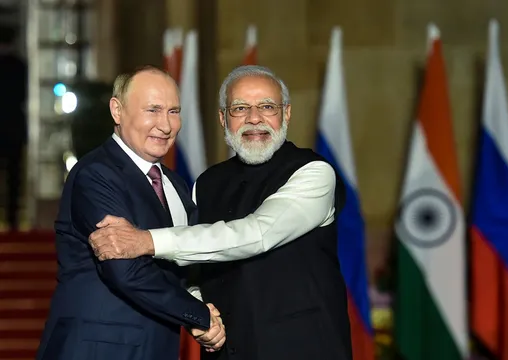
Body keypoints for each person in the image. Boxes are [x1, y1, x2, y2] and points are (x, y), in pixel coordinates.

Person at [88, 65, 353, 360]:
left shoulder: (314, 173)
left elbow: (257, 234)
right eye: (240, 108)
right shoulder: (205, 183)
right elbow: (190, 270)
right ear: (222, 118)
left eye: (267, 106)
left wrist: (146, 241)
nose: (255, 118)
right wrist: (199, 312)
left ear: (286, 114)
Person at [36, 66, 226, 360]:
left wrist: (203, 305)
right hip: (96, 349)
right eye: (153, 110)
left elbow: (185, 265)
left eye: (174, 111)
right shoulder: (96, 174)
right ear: (117, 110)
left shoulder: (175, 184)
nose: (165, 125)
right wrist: (199, 315)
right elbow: (125, 270)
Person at [0, 25, 27, 231]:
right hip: (14, 127)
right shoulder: (19, 65)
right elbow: (22, 97)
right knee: (14, 177)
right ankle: (12, 220)